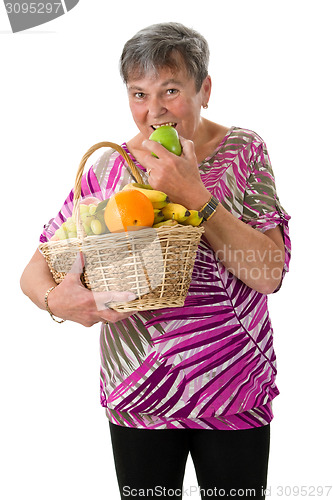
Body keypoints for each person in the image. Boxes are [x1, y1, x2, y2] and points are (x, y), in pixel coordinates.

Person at [20, 22, 291, 500]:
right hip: (140, 391)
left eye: (170, 90)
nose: (154, 110)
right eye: (138, 93)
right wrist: (58, 301)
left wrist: (196, 196)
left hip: (234, 387)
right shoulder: (108, 166)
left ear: (204, 89)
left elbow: (268, 275)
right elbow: (35, 270)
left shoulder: (244, 152)